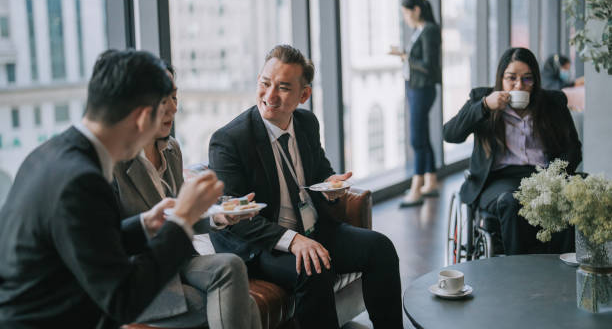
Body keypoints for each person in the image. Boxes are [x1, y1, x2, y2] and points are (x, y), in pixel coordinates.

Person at [0, 50, 224, 328]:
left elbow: (86, 242)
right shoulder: (82, 181)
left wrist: (144, 225)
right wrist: (182, 220)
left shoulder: (48, 153)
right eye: (162, 108)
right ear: (144, 118)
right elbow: (123, 300)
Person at [208, 45, 402, 329]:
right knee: (313, 268)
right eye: (265, 83)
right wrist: (294, 241)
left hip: (312, 228)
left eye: (283, 88)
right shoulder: (229, 140)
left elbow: (321, 174)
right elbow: (236, 220)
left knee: (380, 248)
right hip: (262, 242)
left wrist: (334, 188)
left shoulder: (307, 123)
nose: (270, 96)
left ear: (304, 95)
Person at [113, 63, 261, 328]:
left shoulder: (171, 149)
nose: (173, 108)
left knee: (235, 277)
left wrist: (221, 217)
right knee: (239, 294)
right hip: (141, 276)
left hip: (178, 262)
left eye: (174, 97)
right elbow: (114, 241)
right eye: (162, 99)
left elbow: (182, 217)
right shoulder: (114, 163)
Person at [443, 47, 581, 255]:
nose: (519, 86)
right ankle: (517, 271)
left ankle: (561, 269)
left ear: (535, 80)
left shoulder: (552, 102)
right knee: (512, 201)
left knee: (569, 196)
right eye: (512, 79)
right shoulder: (482, 99)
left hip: (544, 176)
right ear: (501, 78)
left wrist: (555, 177)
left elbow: (573, 149)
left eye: (527, 79)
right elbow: (450, 134)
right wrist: (484, 106)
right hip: (499, 180)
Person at [389, 0, 442, 207]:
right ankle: (431, 182)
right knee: (423, 136)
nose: (405, 17)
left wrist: (405, 56)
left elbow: (429, 64)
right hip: (415, 88)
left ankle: (416, 189)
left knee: (416, 139)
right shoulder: (419, 30)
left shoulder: (429, 30)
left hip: (422, 89)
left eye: (405, 12)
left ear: (416, 10)